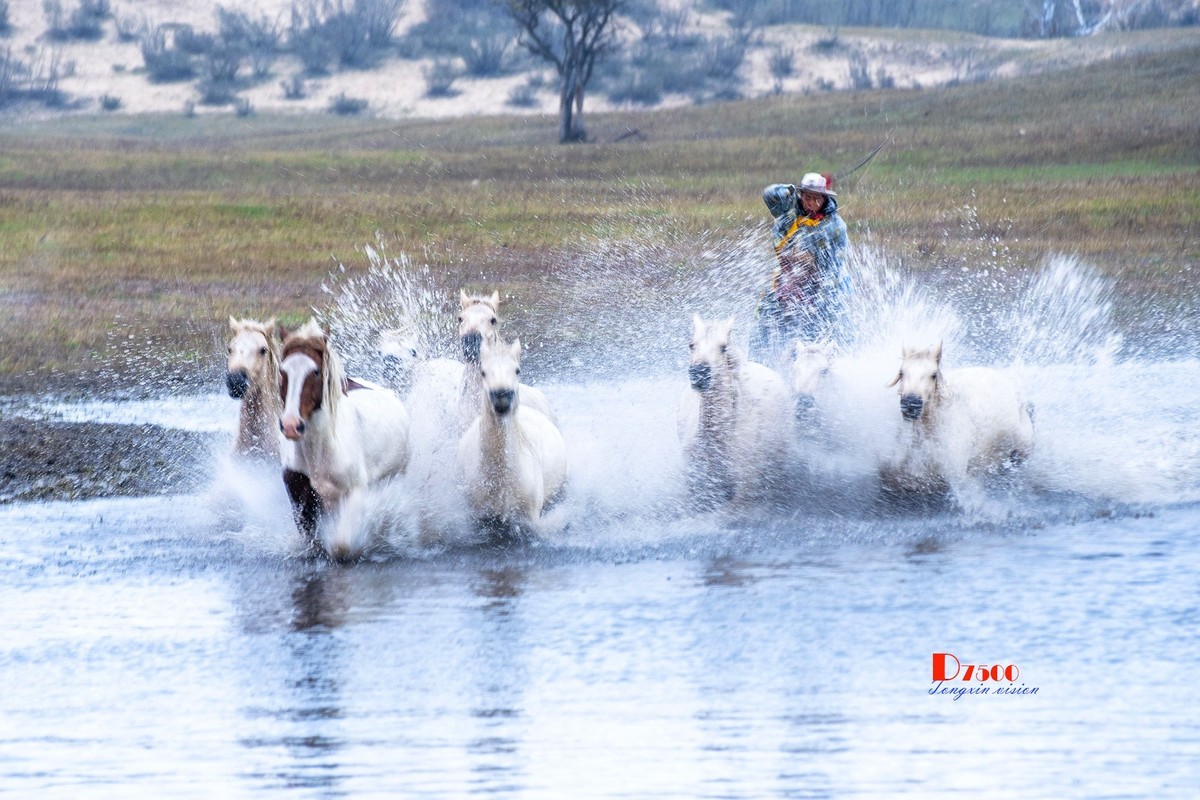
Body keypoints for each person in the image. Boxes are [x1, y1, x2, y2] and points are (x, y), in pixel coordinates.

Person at [752, 172, 851, 364]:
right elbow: (769, 194)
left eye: (816, 199)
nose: (811, 204)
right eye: (807, 198)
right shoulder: (788, 212)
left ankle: (828, 365)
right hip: (788, 278)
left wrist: (810, 264)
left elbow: (834, 267)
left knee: (827, 320)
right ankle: (757, 362)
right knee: (766, 312)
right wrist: (788, 189)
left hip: (823, 284)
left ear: (825, 199)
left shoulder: (835, 227)